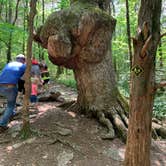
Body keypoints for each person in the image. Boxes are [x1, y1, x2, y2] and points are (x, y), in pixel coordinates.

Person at [0, 54, 26, 132]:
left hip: (0, 85)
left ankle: (11, 114)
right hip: (10, 87)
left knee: (10, 103)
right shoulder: (23, 66)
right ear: (23, 60)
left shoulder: (9, 64)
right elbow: (24, 78)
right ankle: (2, 125)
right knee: (11, 105)